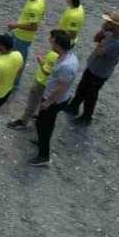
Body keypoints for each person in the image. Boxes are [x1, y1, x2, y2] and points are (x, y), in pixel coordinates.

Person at [67, 10, 119, 123]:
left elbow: (98, 52)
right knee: (81, 89)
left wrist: (101, 42)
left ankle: (87, 117)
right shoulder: (111, 33)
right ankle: (73, 107)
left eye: (108, 22)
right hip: (93, 66)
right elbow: (96, 39)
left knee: (90, 95)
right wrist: (102, 31)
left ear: (115, 25)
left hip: (100, 73)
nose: (106, 23)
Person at [31, 31, 77, 166]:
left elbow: (61, 87)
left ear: (58, 45)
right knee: (43, 122)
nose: (50, 44)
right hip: (55, 98)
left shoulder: (65, 66)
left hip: (54, 100)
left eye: (53, 42)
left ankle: (43, 156)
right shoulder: (68, 57)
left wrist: (48, 102)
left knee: (44, 126)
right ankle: (41, 142)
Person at [7, 30, 60, 130]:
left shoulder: (53, 54)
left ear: (53, 40)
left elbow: (46, 71)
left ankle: (24, 121)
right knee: (39, 102)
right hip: (47, 84)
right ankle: (37, 117)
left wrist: (41, 61)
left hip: (41, 82)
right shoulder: (59, 55)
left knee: (32, 102)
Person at [7, 0, 46, 74]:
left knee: (18, 60)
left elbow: (33, 27)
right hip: (20, 34)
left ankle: (14, 81)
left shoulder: (34, 8)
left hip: (23, 37)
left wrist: (15, 25)